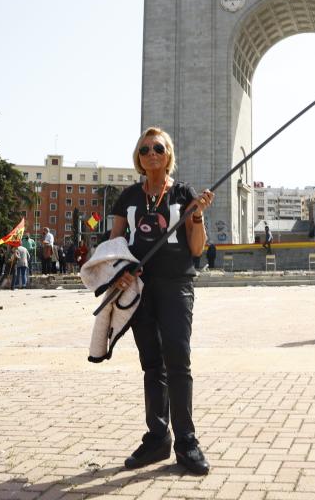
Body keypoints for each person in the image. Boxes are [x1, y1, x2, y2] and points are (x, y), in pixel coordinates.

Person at [109, 126, 214, 475]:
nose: (151, 153)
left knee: (178, 361)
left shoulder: (184, 194)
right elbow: (115, 246)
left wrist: (196, 215)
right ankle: (157, 439)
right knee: (152, 364)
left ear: (169, 154)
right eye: (145, 149)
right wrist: (120, 271)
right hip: (140, 287)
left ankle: (186, 441)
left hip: (176, 285)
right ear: (138, 158)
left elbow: (197, 248)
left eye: (158, 148)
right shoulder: (127, 197)